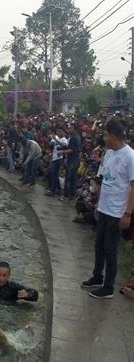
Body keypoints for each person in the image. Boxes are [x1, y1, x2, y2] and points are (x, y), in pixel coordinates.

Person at [82, 118, 134, 299]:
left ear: (113, 136)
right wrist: (97, 204)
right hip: (104, 207)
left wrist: (128, 213)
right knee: (99, 244)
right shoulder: (109, 153)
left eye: (105, 135)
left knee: (111, 248)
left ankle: (109, 287)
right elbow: (104, 180)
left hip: (117, 211)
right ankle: (97, 276)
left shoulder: (130, 156)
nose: (103, 138)